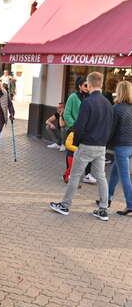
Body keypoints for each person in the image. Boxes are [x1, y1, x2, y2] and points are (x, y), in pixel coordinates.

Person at [49, 72, 113, 221]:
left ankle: (65, 205)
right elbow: (110, 126)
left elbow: (80, 126)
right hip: (101, 146)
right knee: (101, 177)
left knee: (75, 175)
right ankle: (103, 209)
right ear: (101, 84)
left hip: (86, 145)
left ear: (89, 85)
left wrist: (76, 143)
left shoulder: (88, 102)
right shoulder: (108, 103)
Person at [103, 81, 132, 215]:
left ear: (119, 91)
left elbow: (110, 129)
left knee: (125, 177)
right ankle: (107, 198)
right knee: (115, 171)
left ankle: (130, 205)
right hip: (130, 146)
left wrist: (103, 142)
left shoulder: (117, 108)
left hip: (122, 146)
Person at [64, 77, 96, 184]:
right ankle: (68, 174)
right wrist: (74, 126)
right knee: (72, 151)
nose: (87, 87)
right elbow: (66, 114)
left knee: (88, 151)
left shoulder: (91, 98)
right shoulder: (73, 97)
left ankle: (86, 174)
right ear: (79, 86)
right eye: (85, 85)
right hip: (74, 130)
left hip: (86, 131)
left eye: (89, 85)